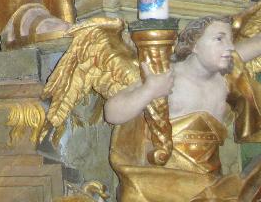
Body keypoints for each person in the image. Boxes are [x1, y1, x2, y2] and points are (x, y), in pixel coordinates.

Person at [104, 16, 261, 201]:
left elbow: (255, 44)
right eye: (219, 39)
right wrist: (149, 91)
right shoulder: (169, 76)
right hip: (165, 183)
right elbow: (112, 113)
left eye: (230, 40)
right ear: (195, 45)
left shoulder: (224, 76)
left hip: (211, 184)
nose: (230, 47)